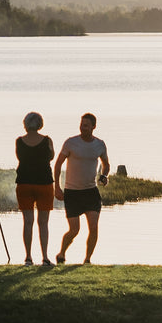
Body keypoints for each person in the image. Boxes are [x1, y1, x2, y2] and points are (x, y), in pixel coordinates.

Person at [52, 112, 110, 265]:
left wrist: (104, 176)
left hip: (91, 192)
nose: (82, 128)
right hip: (72, 192)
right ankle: (62, 253)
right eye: (81, 125)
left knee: (94, 227)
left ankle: (87, 260)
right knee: (74, 230)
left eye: (86, 125)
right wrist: (56, 187)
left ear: (93, 127)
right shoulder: (71, 143)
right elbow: (57, 165)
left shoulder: (100, 144)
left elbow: (106, 164)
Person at [15, 111, 55, 266]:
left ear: (26, 124)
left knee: (28, 222)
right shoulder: (47, 140)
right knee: (43, 223)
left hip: (24, 183)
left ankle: (28, 257)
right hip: (44, 183)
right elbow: (51, 156)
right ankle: (45, 257)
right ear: (40, 124)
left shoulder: (19, 141)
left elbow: (19, 157)